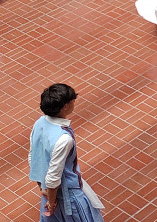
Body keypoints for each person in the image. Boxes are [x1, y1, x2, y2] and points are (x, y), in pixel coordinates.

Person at [29, 84, 105, 222]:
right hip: (68, 195)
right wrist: (52, 204)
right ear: (65, 107)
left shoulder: (39, 123)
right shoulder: (64, 139)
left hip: (50, 191)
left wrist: (42, 188)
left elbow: (33, 158)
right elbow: (53, 177)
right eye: (72, 101)